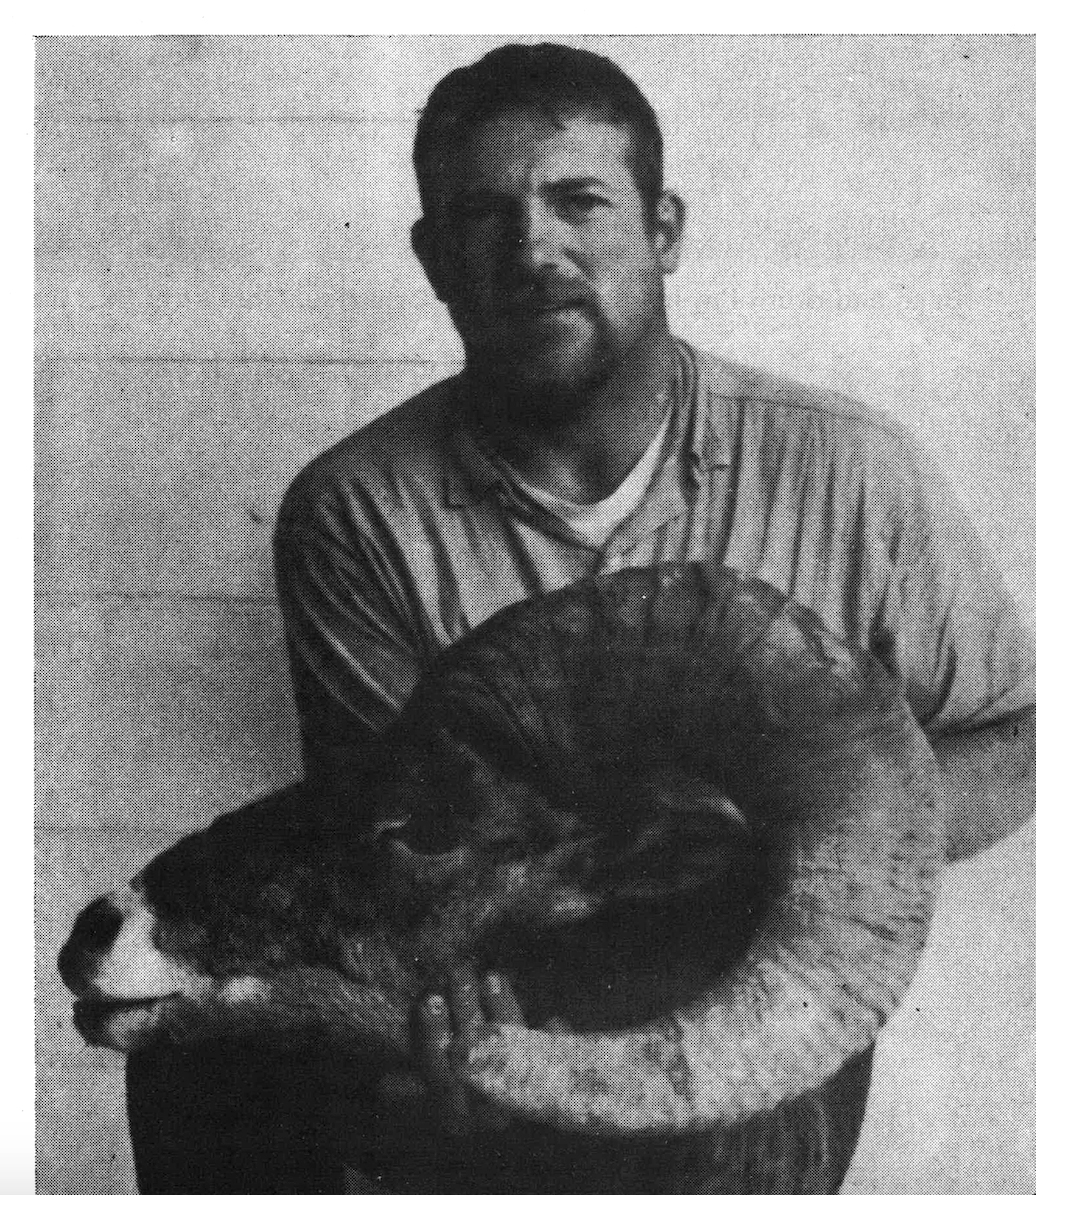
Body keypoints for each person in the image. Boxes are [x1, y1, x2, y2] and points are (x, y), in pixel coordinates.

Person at [126, 42, 1035, 1193]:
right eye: (482, 216)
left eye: (577, 201)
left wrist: (829, 837)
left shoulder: (852, 476)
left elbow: (1022, 732)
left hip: (746, 1015)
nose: (532, 250)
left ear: (662, 230)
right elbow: (378, 833)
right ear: (431, 259)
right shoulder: (355, 512)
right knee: (205, 1067)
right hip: (480, 997)